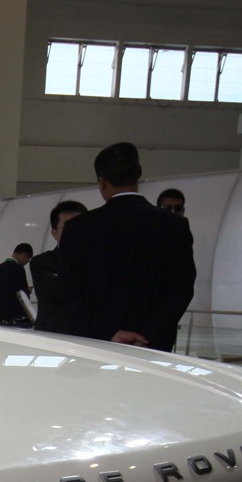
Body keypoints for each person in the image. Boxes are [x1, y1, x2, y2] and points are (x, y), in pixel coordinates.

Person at [54, 142, 196, 350]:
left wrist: (108, 331)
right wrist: (150, 334)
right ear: (139, 173)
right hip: (154, 347)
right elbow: (182, 288)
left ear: (101, 182)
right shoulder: (175, 226)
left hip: (96, 345)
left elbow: (69, 290)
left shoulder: (79, 229)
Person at [31, 199, 87, 335]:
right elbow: (60, 291)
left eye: (80, 225)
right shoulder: (41, 262)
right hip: (53, 339)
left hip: (90, 339)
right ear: (54, 233)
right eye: (68, 227)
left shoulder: (98, 260)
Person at [0, 242, 35, 327]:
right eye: (27, 260)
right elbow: (21, 295)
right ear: (25, 255)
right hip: (13, 319)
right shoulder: (18, 269)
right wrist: (27, 291)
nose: (26, 263)